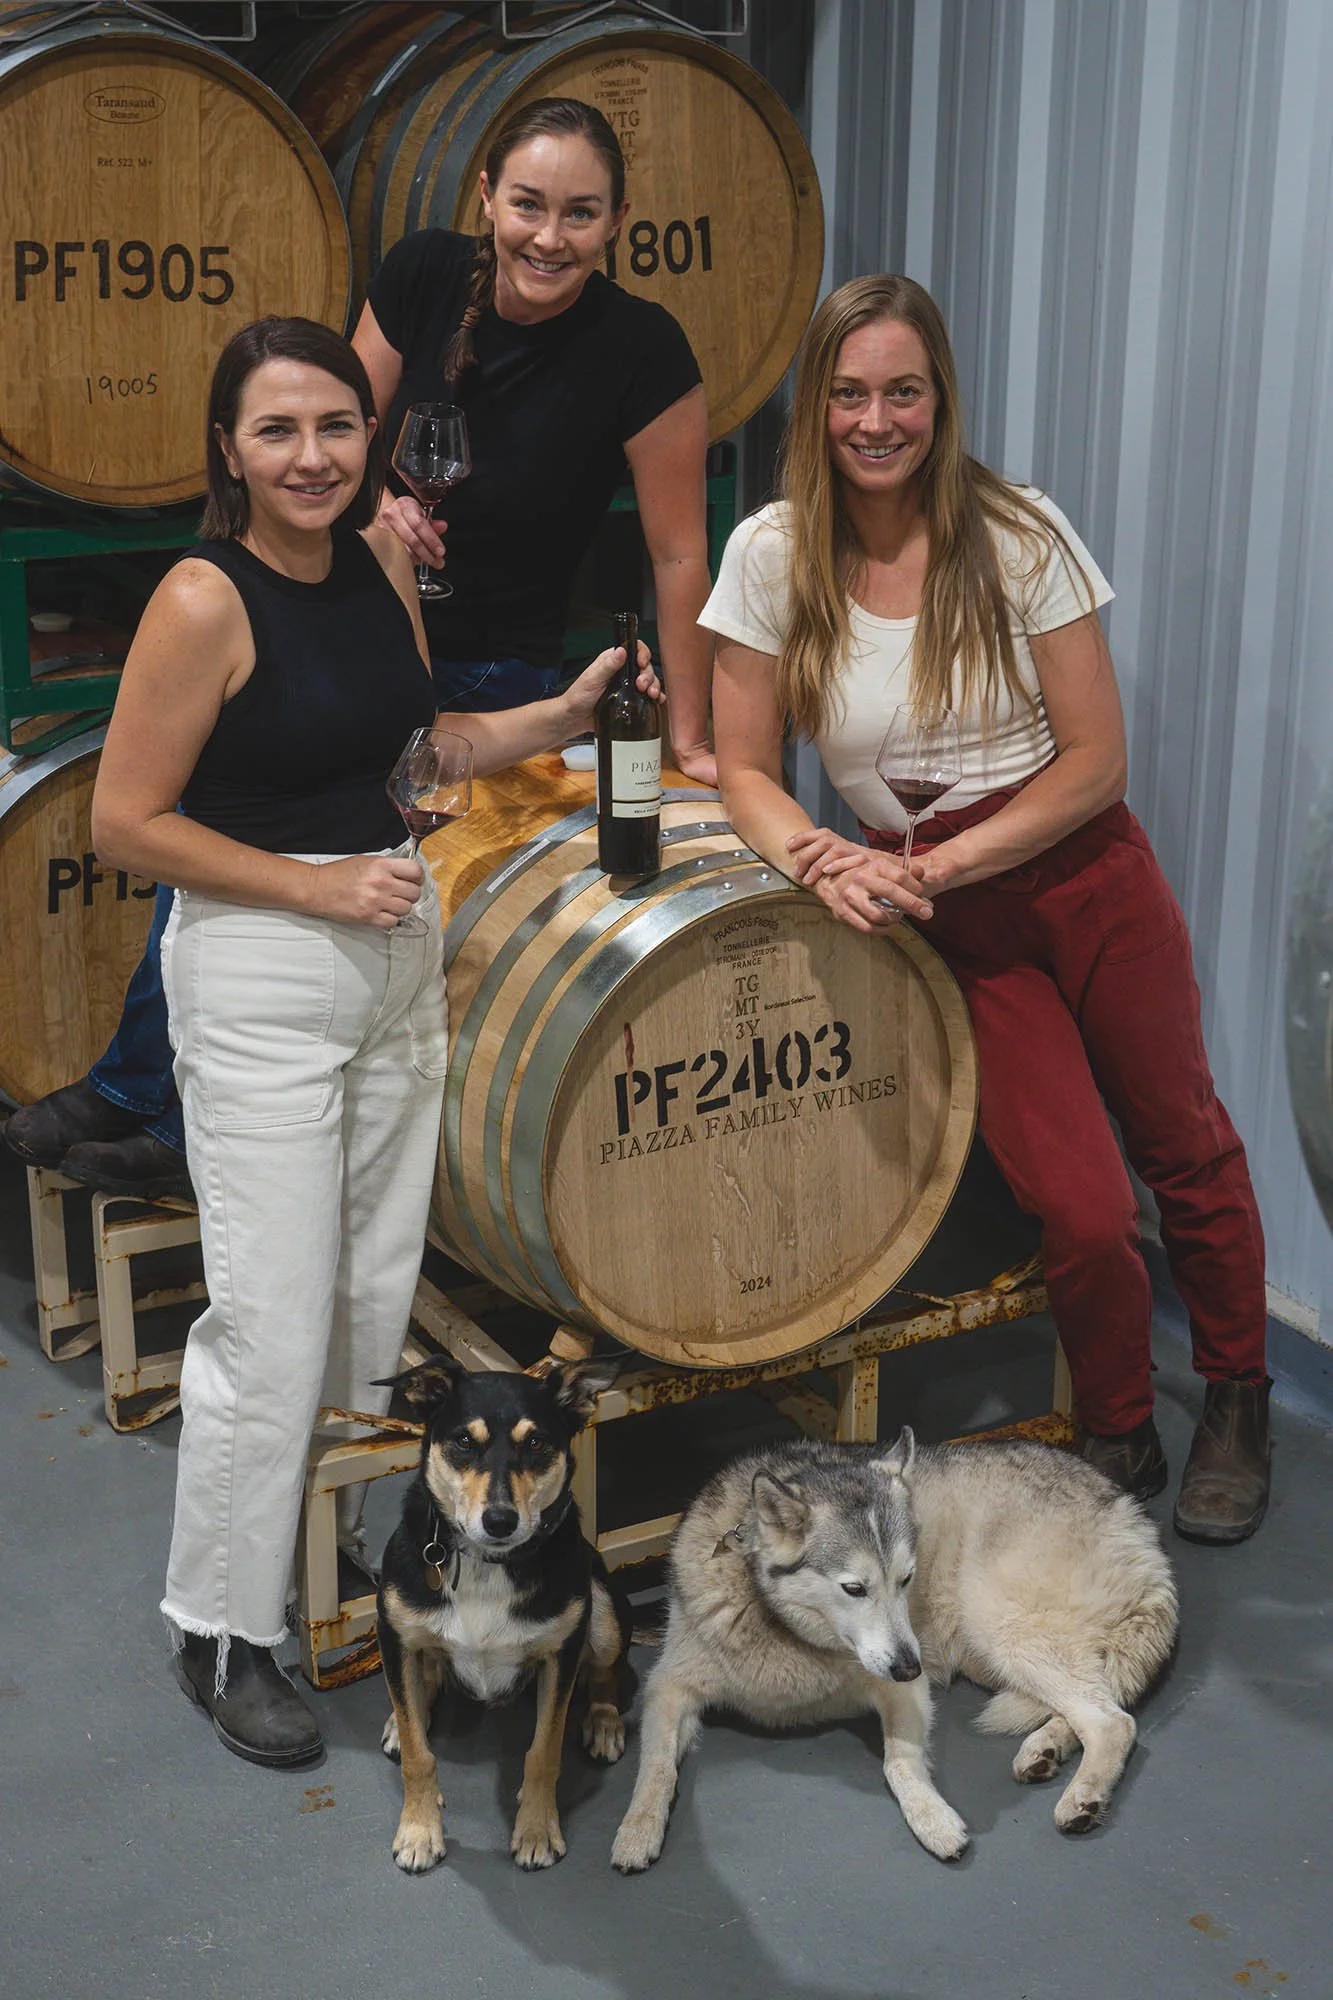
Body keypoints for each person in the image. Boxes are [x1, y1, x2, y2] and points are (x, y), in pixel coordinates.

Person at [89, 316, 663, 1767]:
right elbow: (123, 821)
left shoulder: (380, 561)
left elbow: (415, 752)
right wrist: (313, 884)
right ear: (228, 448)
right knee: (268, 1329)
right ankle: (223, 1635)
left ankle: (323, 1563)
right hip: (265, 969)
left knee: (363, 1304)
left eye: (336, 427)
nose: (310, 456)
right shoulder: (203, 598)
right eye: (276, 430)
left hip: (395, 963)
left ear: (371, 439)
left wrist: (565, 714)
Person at [3, 94, 715, 1201]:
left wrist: (696, 735)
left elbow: (678, 555)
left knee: (399, 884)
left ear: (619, 219)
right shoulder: (428, 271)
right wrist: (386, 508)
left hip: (499, 664)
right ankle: (149, 1087)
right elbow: (340, 418)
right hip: (356, 616)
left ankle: (202, 1130)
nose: (548, 235)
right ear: (486, 195)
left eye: (580, 214)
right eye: (527, 204)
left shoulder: (642, 347)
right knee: (231, 819)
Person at [702, 273, 1272, 1546]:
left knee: (1180, 1139)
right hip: (941, 916)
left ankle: (1237, 1391)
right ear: (818, 406)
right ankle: (1117, 1428)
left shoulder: (1017, 532)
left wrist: (946, 865)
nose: (875, 419)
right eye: (849, 393)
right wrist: (815, 857)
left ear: (938, 398)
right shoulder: (770, 551)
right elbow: (741, 764)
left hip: (1078, 874)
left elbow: (1094, 761)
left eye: (902, 390)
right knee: (1074, 1200)